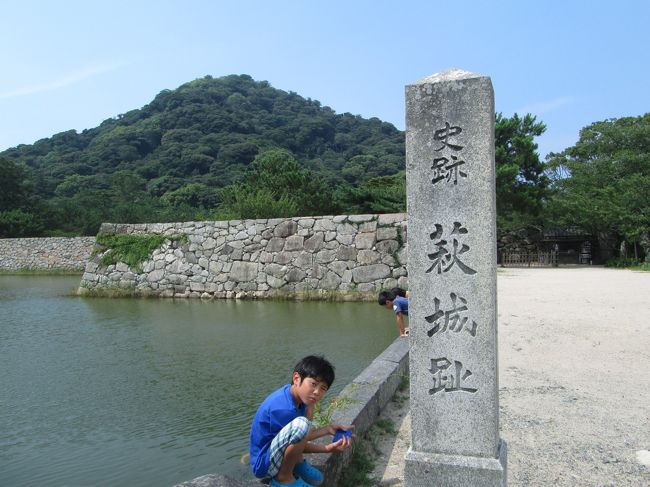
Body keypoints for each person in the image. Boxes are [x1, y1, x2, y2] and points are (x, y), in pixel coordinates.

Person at [249, 355, 353, 487]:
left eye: (323, 388)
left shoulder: (298, 396)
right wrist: (327, 449)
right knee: (301, 424)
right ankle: (283, 478)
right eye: (313, 384)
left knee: (302, 425)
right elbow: (300, 439)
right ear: (296, 378)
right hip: (263, 465)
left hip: (276, 452)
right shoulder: (283, 408)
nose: (317, 392)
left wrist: (328, 429)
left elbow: (300, 437)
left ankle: (296, 465)